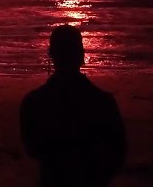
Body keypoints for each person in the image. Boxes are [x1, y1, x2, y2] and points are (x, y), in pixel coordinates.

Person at [20, 25, 126, 186]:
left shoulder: (33, 102)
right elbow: (118, 152)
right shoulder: (102, 102)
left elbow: (33, 149)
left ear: (51, 55)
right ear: (82, 55)